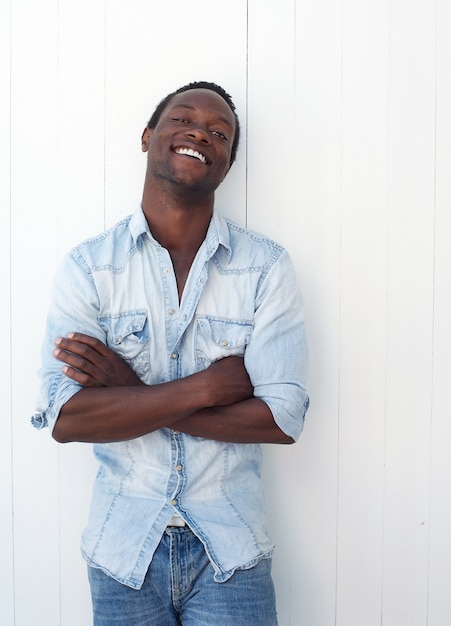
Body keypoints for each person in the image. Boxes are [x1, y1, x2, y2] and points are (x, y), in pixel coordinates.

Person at [32, 81, 309, 625]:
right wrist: (204, 388)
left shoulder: (265, 268)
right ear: (147, 137)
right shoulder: (89, 268)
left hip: (231, 551)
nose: (199, 132)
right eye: (183, 119)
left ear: (225, 164)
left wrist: (129, 396)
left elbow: (281, 418)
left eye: (219, 132)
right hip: (121, 550)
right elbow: (66, 418)